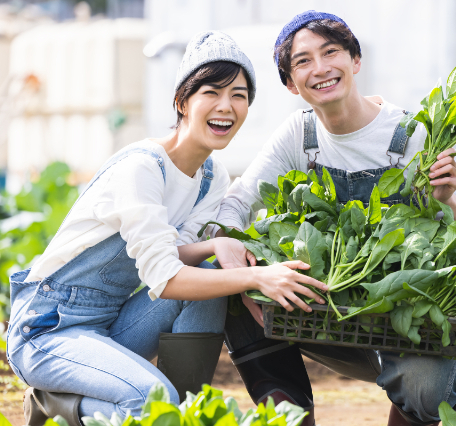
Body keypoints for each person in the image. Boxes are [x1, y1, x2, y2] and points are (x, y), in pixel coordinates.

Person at [6, 31, 328, 426]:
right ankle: (54, 404)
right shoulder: (142, 167)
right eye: (212, 92)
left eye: (239, 95)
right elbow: (165, 280)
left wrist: (217, 247)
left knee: (208, 284)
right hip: (49, 328)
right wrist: (257, 275)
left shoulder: (212, 177)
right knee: (151, 399)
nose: (226, 106)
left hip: (111, 324)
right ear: (182, 101)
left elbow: (173, 253)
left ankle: (181, 415)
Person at [216, 11, 456, 426]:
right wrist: (240, 272)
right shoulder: (299, 136)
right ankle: (292, 418)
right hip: (327, 312)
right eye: (304, 61)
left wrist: (450, 201)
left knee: (427, 391)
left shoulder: (413, 134)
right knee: (223, 281)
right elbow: (234, 205)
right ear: (291, 83)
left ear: (355, 61)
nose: (321, 68)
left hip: (406, 324)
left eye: (331, 52)